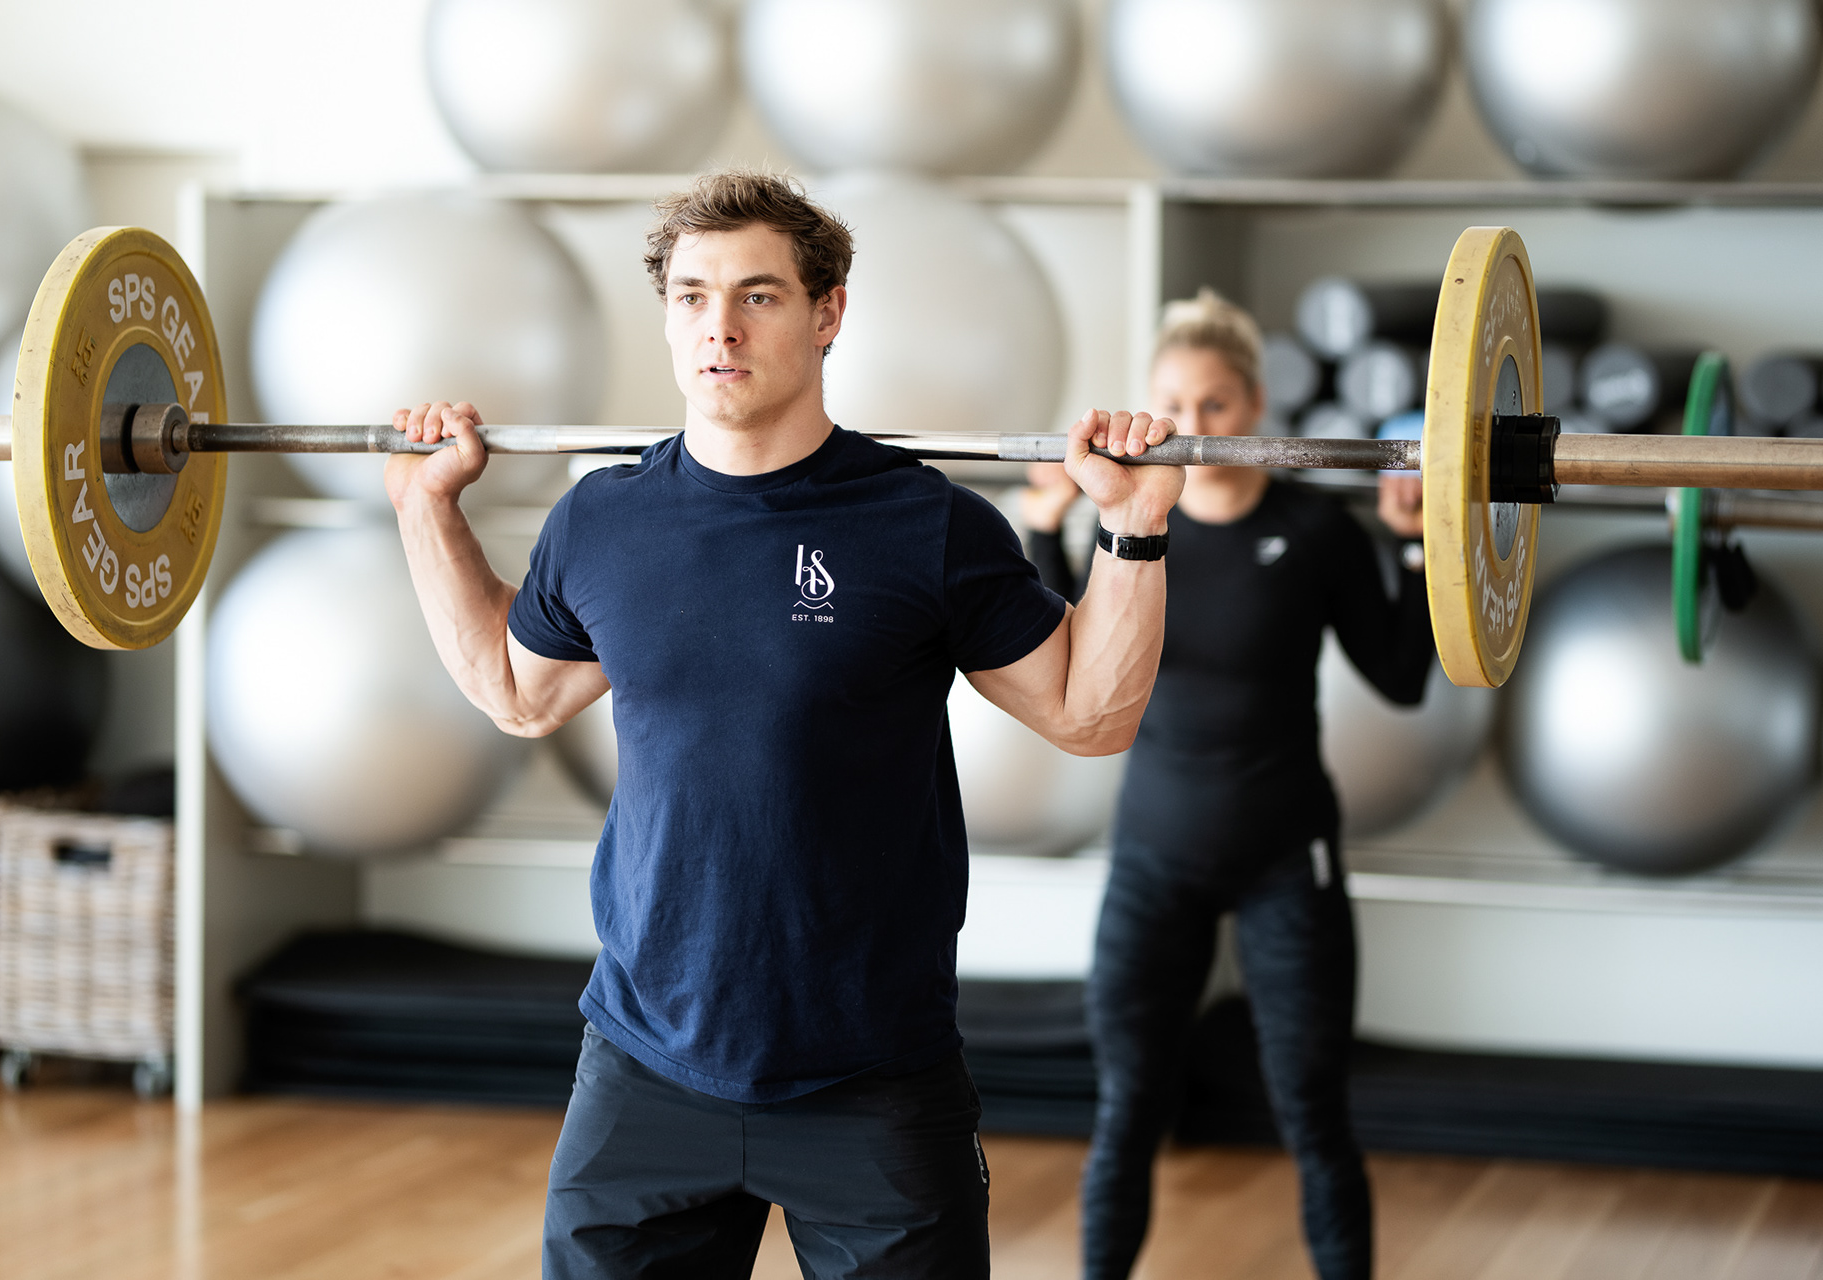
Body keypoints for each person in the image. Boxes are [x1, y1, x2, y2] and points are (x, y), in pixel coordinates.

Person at [382, 171, 1186, 1279]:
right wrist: (425, 509)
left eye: (758, 295)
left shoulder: (925, 523)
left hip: (873, 1078)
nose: (720, 325)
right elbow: (519, 693)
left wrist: (1132, 531)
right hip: (645, 1064)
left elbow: (1089, 714)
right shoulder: (604, 519)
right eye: (693, 295)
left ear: (827, 313)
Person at [1020, 290, 1435, 1280]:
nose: (1196, 426)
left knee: (1312, 1107)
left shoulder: (1316, 528)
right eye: (1175, 403)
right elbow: (1054, 658)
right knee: (1128, 1106)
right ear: (1149, 407)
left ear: (1254, 405)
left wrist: (1412, 542)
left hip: (1289, 858)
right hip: (1155, 857)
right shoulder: (1121, 520)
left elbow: (1404, 676)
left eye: (1216, 404)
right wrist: (1044, 519)